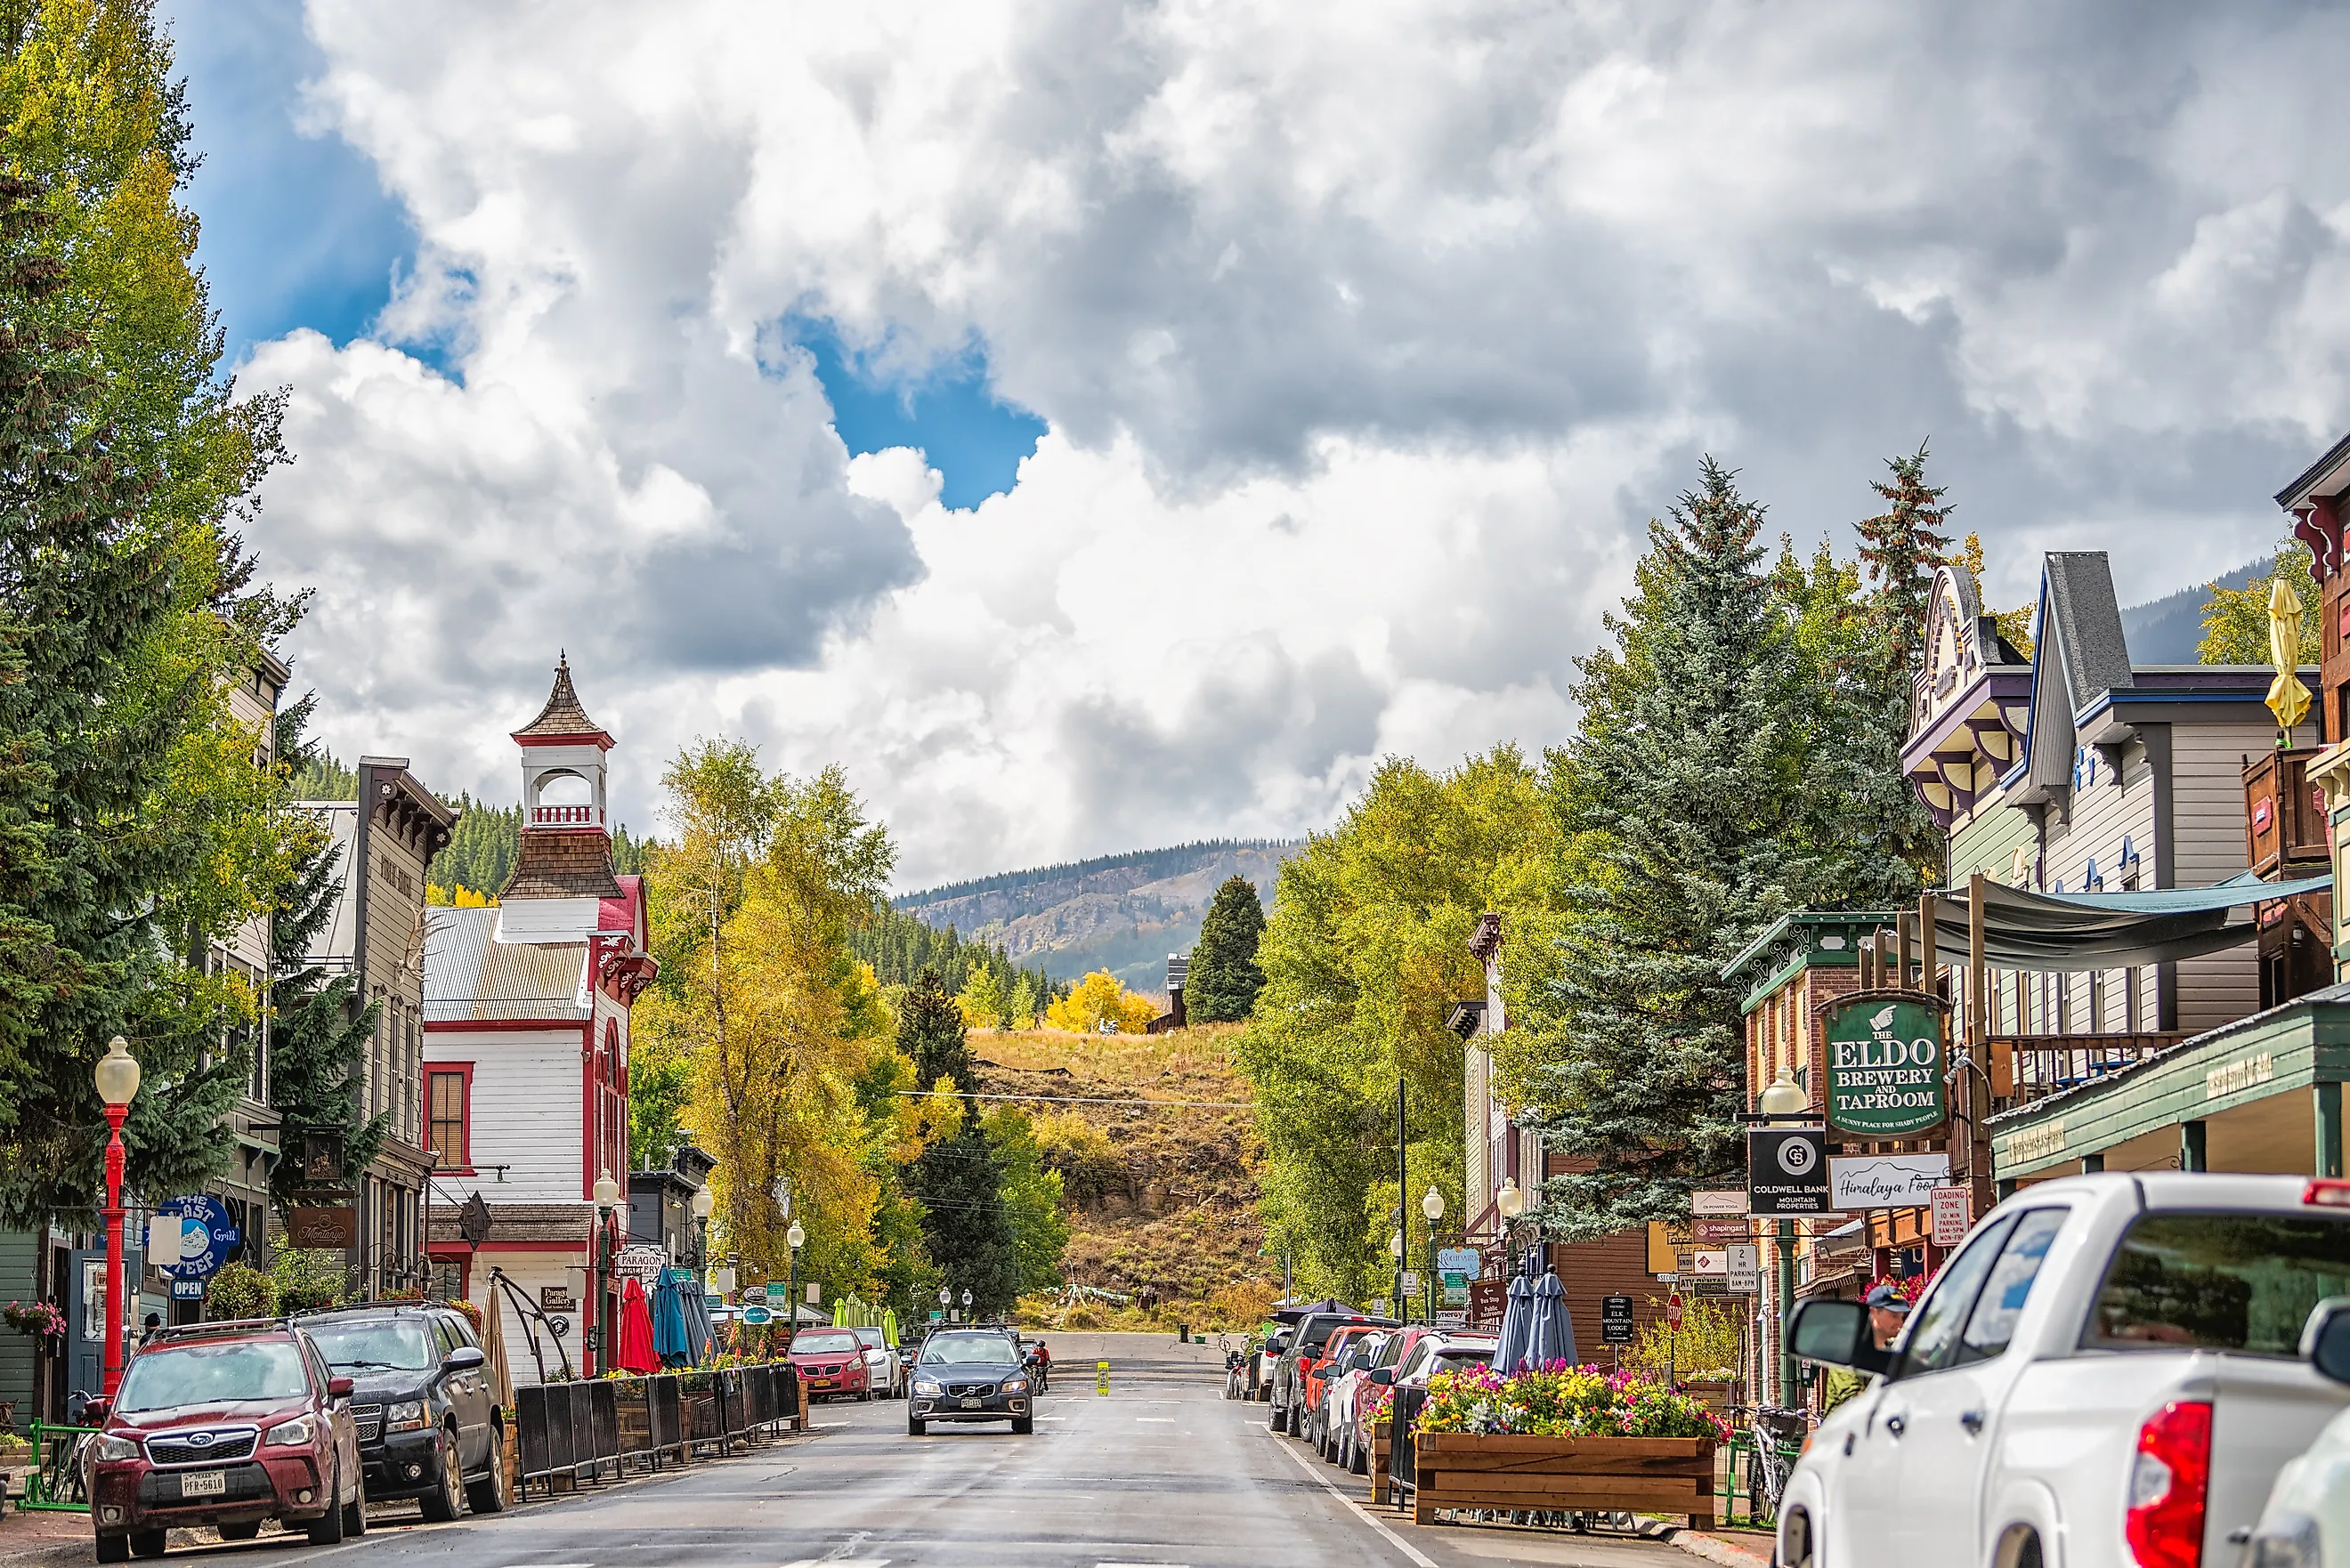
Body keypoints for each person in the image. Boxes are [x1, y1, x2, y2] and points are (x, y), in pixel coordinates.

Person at [1818, 1283, 1909, 1417]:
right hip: (1843, 1429)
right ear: (1873, 1312)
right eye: (1894, 1316)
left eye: (1901, 1317)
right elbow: (1853, 1398)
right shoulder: (1848, 1348)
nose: (1900, 1323)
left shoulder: (1894, 1348)